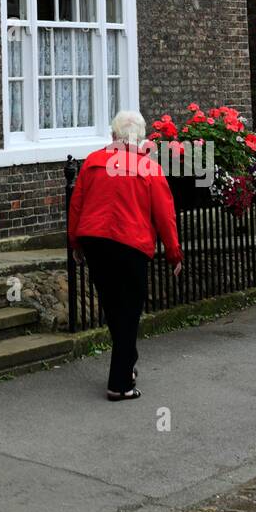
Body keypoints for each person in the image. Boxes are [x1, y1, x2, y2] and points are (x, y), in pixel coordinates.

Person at [68, 110, 183, 402]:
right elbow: (165, 215)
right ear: (141, 139)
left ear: (113, 136)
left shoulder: (93, 162)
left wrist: (76, 244)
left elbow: (76, 205)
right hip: (130, 244)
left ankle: (127, 369)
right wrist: (174, 253)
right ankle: (119, 384)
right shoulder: (148, 167)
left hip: (96, 243)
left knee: (114, 309)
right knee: (128, 312)